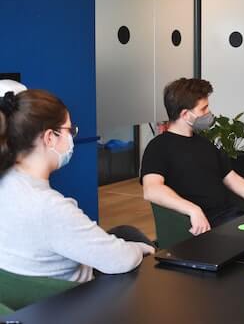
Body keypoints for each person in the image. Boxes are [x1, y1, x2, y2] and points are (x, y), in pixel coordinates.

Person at [0, 89, 154, 283]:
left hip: (24, 298)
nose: (72, 138)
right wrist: (139, 248)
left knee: (125, 232)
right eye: (69, 130)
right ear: (49, 137)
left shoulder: (7, 183)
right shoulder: (50, 207)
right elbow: (121, 261)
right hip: (77, 300)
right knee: (137, 248)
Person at [141, 78, 244, 236]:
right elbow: (151, 190)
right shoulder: (158, 147)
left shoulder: (205, 143)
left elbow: (234, 180)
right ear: (185, 114)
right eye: (203, 109)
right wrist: (193, 210)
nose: (208, 113)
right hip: (202, 227)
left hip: (229, 217)